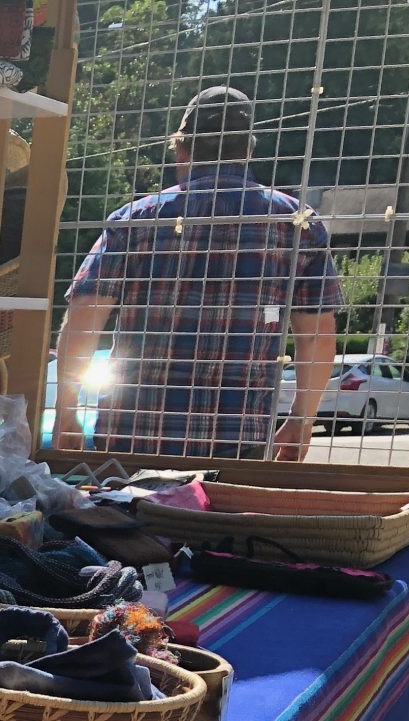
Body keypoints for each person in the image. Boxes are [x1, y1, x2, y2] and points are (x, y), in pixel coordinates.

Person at [52, 86, 339, 460]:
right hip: (239, 439)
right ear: (248, 150)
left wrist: (67, 409)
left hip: (135, 436)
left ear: (181, 149)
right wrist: (302, 419)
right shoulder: (298, 224)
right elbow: (316, 336)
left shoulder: (136, 219)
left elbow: (84, 317)